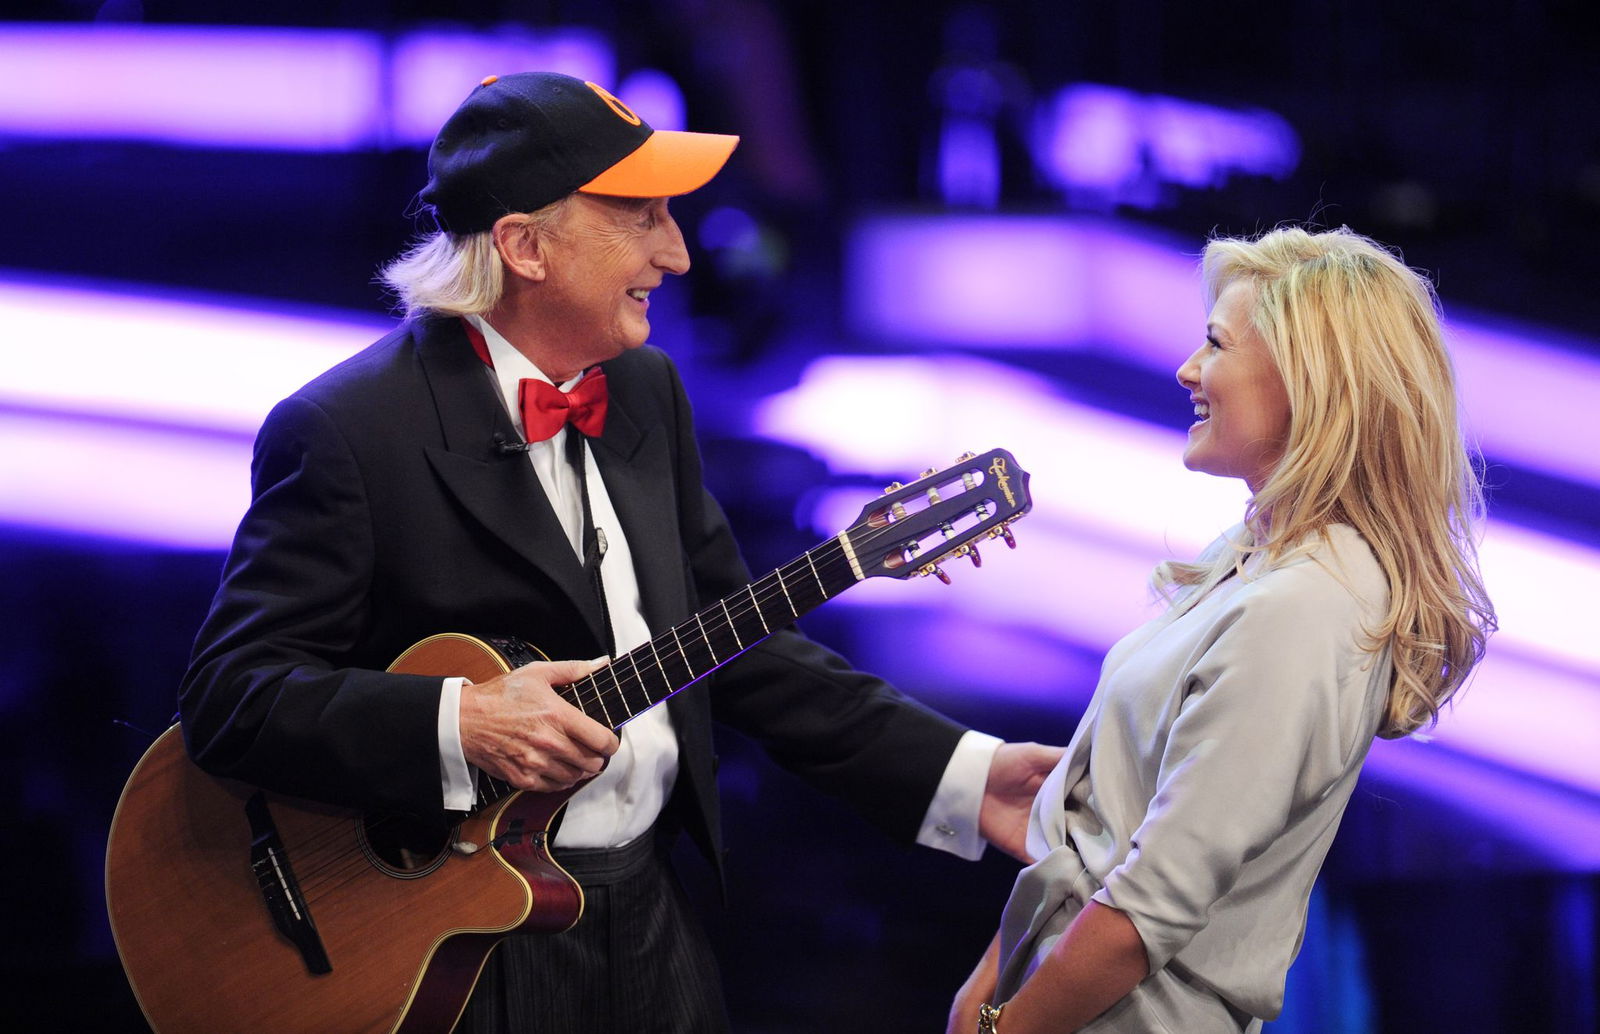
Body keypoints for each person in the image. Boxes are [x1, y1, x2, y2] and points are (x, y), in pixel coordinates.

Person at [176, 71, 1060, 1032]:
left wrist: (970, 777)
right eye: (639, 216)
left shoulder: (644, 391)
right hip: (454, 954)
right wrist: (461, 721)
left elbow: (736, 648)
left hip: (645, 912)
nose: (677, 253)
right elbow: (233, 697)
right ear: (524, 246)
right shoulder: (348, 430)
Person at [947, 225, 1496, 1034]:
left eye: (1215, 344)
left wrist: (1003, 1027)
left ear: (1308, 381)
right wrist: (985, 993)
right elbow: (1095, 840)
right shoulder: (1253, 561)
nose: (1187, 370)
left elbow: (1146, 910)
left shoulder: (1306, 606)